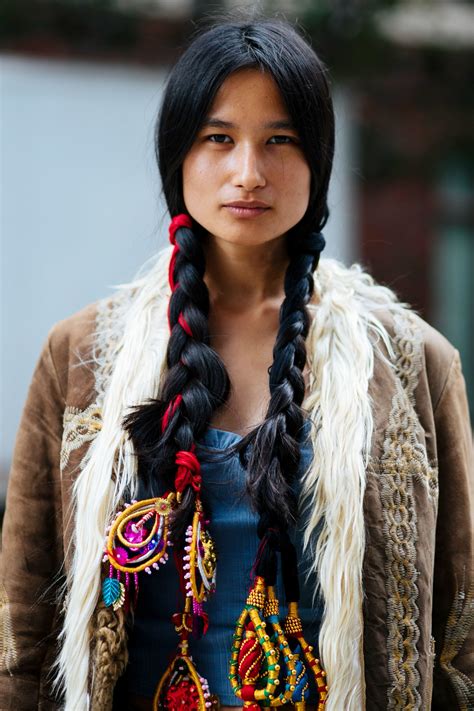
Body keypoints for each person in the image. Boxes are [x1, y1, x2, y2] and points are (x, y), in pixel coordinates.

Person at [0, 16, 473, 711]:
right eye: (218, 138)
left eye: (279, 140)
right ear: (178, 158)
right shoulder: (81, 357)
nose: (247, 172)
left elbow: (461, 631)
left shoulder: (411, 365)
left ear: (318, 161)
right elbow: (22, 629)